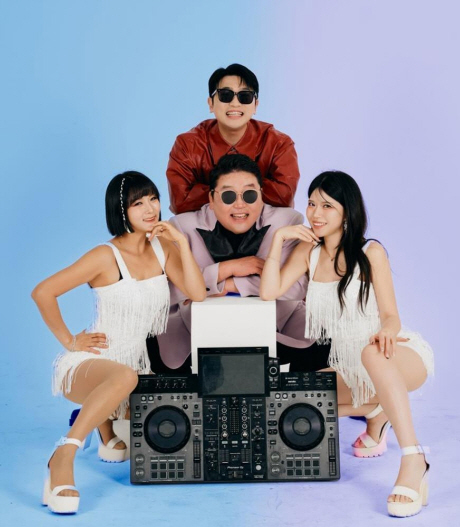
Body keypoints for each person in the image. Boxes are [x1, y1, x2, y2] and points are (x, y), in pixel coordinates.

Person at [260, 171, 434, 518]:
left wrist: (386, 333)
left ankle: (414, 459)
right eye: (311, 204)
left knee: (371, 353)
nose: (315, 213)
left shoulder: (371, 252)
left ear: (347, 212)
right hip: (349, 367)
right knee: (291, 397)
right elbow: (269, 291)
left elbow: (391, 316)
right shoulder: (309, 252)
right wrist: (279, 239)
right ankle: (377, 409)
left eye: (327, 206)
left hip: (392, 354)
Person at [32, 171, 206, 514]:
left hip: (138, 365)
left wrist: (182, 244)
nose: (150, 209)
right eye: (137, 203)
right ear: (120, 210)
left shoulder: (163, 249)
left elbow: (197, 293)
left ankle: (106, 428)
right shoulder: (104, 256)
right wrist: (70, 340)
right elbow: (43, 292)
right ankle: (63, 456)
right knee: (124, 376)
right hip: (91, 364)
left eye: (153, 199)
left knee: (168, 408)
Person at [155, 153, 326, 373]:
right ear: (211, 199)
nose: (239, 204)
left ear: (261, 195)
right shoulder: (181, 227)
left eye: (249, 195)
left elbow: (296, 286)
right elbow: (167, 290)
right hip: (198, 333)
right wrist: (229, 268)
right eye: (228, 196)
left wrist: (227, 284)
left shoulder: (287, 222)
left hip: (278, 329)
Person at [166, 63, 300, 214]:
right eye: (225, 95)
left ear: (255, 105)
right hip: (207, 221)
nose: (235, 103)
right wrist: (251, 189)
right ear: (211, 104)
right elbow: (180, 202)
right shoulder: (187, 144)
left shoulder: (278, 143)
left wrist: (217, 189)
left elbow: (283, 197)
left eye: (245, 96)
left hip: (262, 221)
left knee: (285, 217)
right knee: (183, 222)